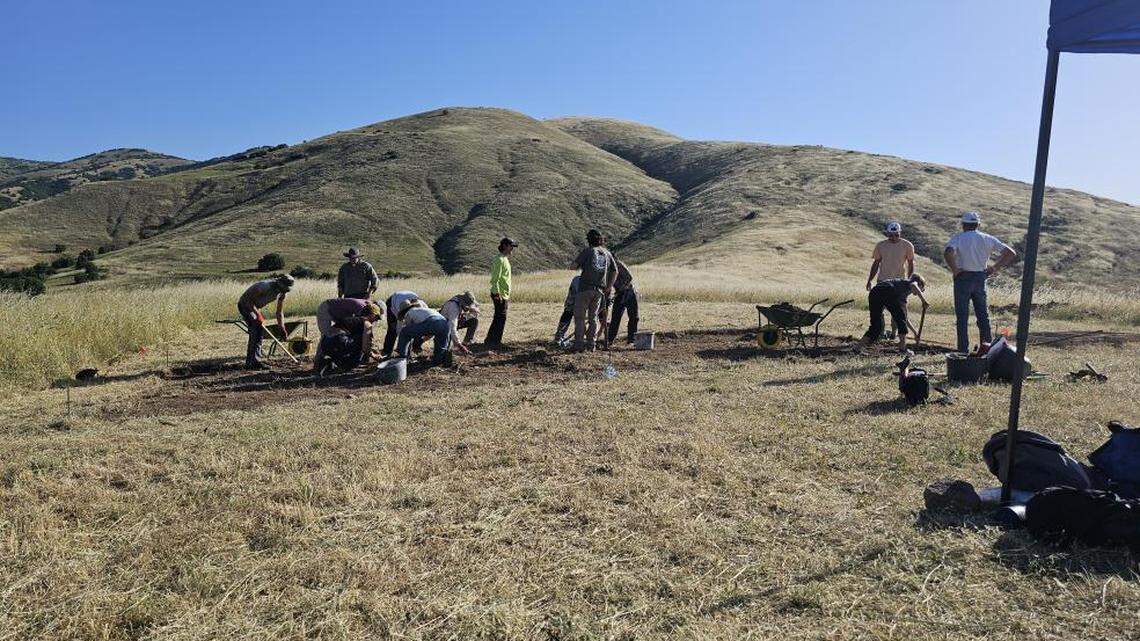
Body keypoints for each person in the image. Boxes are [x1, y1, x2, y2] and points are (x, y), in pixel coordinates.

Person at [943, 211, 1017, 353]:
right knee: (983, 315)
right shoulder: (987, 238)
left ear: (963, 225)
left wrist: (955, 270)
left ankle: (963, 350)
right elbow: (1010, 253)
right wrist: (994, 268)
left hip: (963, 277)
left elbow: (948, 252)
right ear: (978, 224)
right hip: (980, 277)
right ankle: (987, 348)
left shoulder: (958, 238)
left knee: (962, 317)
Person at [572, 229, 617, 352]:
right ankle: (592, 344)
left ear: (589, 240)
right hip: (599, 291)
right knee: (593, 318)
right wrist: (609, 286)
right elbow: (615, 270)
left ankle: (579, 345)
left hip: (585, 288)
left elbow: (573, 266)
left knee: (580, 317)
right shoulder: (607, 253)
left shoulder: (588, 251)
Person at [860, 274, 930, 354]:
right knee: (899, 320)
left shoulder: (902, 296)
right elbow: (914, 285)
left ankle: (857, 348)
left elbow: (905, 318)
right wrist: (923, 301)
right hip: (887, 290)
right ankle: (902, 349)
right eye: (922, 289)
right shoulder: (909, 283)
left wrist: (915, 333)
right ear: (919, 284)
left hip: (874, 292)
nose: (920, 292)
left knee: (876, 327)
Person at [236, 274, 294, 370]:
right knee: (256, 330)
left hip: (254, 307)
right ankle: (253, 362)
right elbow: (248, 300)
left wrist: (282, 327)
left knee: (258, 331)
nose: (284, 291)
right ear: (279, 283)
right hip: (244, 305)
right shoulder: (264, 286)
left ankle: (253, 361)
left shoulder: (282, 293)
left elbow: (279, 312)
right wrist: (257, 315)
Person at [314, 302, 381, 374]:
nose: (376, 320)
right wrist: (374, 355)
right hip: (338, 341)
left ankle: (330, 363)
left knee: (354, 340)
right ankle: (348, 366)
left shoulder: (353, 319)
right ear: (372, 315)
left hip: (325, 343)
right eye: (376, 317)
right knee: (362, 340)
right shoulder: (367, 323)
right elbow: (365, 347)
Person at [396, 298, 453, 365]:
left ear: (403, 311)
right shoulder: (422, 310)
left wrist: (415, 344)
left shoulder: (409, 312)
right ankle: (439, 361)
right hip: (444, 323)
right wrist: (421, 341)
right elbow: (430, 333)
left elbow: (410, 332)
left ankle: (402, 357)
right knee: (440, 345)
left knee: (404, 332)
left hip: (432, 322)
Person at [484, 237, 517, 348]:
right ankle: (495, 342)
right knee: (501, 317)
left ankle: (491, 340)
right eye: (511, 246)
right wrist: (498, 293)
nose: (512, 248)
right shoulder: (499, 259)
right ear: (505, 246)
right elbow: (495, 278)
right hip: (500, 294)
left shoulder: (504, 259)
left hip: (503, 293)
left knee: (499, 317)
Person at [866, 221, 915, 290]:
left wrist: (910, 280)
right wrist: (870, 280)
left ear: (900, 233)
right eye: (891, 235)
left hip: (900, 281)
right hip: (883, 280)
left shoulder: (907, 245)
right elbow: (876, 263)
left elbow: (910, 264)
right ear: (887, 234)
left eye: (896, 235)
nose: (894, 238)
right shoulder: (880, 245)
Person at [607, 258, 639, 345]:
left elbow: (629, 278)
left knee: (633, 317)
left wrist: (621, 290)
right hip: (619, 294)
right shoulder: (606, 267)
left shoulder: (618, 264)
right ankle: (610, 340)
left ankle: (631, 340)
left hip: (630, 293)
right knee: (615, 317)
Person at [439, 291, 480, 355]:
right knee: (446, 346)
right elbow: (452, 327)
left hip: (452, 322)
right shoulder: (454, 307)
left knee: (474, 321)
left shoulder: (460, 301)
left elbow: (473, 310)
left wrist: (470, 312)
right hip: (445, 325)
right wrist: (459, 344)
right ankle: (448, 350)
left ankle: (465, 343)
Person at [381, 289, 419, 357]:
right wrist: (402, 342)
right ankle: (387, 352)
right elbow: (399, 329)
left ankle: (408, 352)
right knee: (392, 329)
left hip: (404, 298)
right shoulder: (401, 309)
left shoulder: (419, 306)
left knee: (410, 329)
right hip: (392, 301)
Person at [553, 275, 580, 346]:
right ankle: (559, 336)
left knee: (568, 315)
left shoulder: (576, 279)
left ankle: (559, 336)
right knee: (568, 315)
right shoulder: (577, 280)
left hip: (573, 305)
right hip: (573, 305)